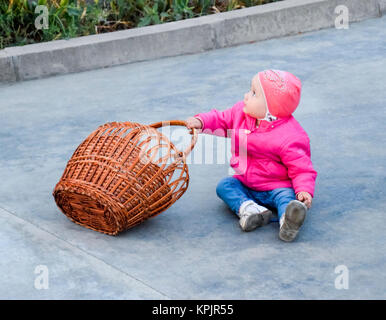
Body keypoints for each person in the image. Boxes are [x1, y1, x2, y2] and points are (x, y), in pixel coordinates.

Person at [186, 69, 317, 242]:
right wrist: (201, 121)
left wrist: (304, 191)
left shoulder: (291, 136)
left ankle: (288, 220)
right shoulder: (240, 112)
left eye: (254, 93)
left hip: (277, 186)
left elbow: (301, 169)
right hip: (246, 183)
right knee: (225, 186)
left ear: (272, 108)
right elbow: (221, 119)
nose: (246, 95)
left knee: (287, 197)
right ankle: (250, 209)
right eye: (250, 90)